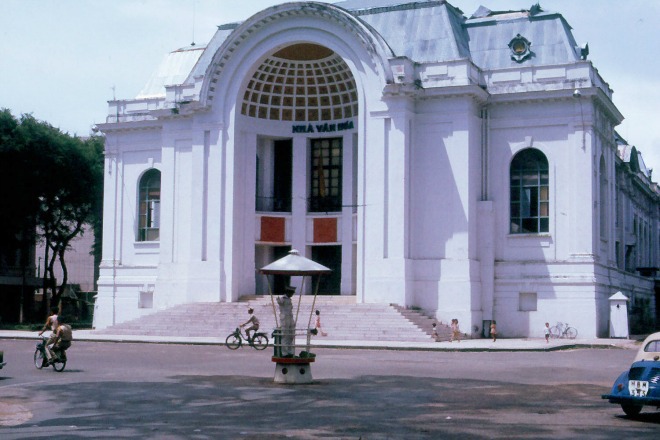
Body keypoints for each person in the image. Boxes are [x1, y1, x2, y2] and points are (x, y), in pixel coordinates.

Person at [277, 286, 296, 356]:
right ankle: (285, 353)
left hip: (290, 318)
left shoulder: (289, 299)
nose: (292, 294)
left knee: (291, 335)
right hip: (284, 318)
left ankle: (290, 351)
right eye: (291, 293)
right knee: (285, 335)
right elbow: (280, 302)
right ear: (288, 292)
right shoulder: (283, 299)